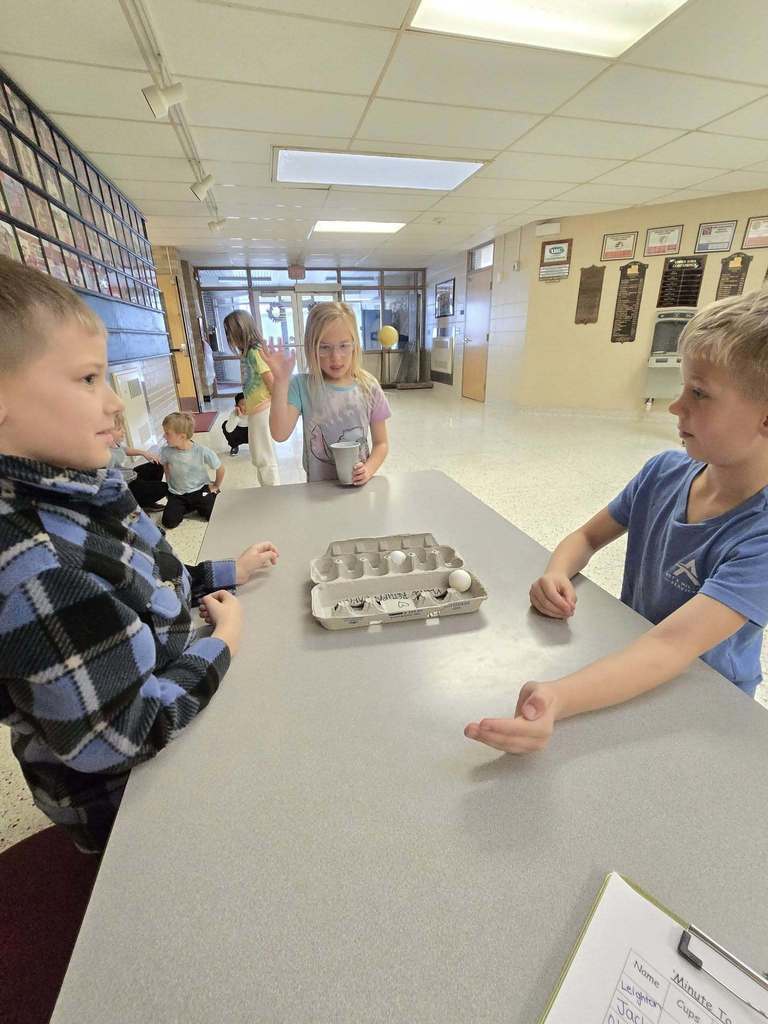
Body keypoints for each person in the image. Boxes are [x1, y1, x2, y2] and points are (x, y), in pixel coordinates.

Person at [0, 255, 279, 852]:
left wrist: (230, 572)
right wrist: (222, 642)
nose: (115, 404)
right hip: (129, 803)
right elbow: (127, 732)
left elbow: (149, 588)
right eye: (87, 380)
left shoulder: (83, 488)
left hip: (169, 690)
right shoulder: (39, 568)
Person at [465, 289, 768, 756]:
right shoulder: (662, 473)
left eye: (700, 393)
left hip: (705, 711)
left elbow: (670, 648)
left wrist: (559, 697)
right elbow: (587, 536)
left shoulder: (761, 537)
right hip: (625, 671)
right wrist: (557, 572)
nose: (675, 405)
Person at [264, 301, 390, 485]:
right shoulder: (302, 385)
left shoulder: (369, 387)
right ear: (311, 347)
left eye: (344, 345)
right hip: (318, 490)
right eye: (324, 347)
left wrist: (368, 469)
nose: (335, 357)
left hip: (358, 488)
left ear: (355, 344)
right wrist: (281, 382)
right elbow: (279, 433)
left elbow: (382, 443)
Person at [223, 311, 279, 485]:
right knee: (258, 455)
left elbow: (271, 382)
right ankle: (266, 491)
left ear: (241, 331)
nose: (228, 337)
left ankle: (273, 495)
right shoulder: (246, 354)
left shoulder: (255, 352)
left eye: (229, 332)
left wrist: (278, 408)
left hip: (264, 410)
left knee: (265, 456)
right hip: (256, 411)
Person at [160, 411, 224, 528]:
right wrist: (169, 485)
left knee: (214, 514)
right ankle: (189, 506)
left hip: (201, 491)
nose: (164, 436)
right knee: (168, 522)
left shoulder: (201, 451)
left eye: (167, 434)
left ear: (182, 436)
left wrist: (215, 485)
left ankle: (211, 495)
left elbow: (220, 468)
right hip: (178, 495)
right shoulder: (166, 451)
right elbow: (165, 466)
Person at [108, 411, 167, 508]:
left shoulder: (115, 443)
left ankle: (147, 501)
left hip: (128, 475)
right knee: (163, 488)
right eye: (119, 429)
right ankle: (137, 505)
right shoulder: (102, 453)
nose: (124, 431)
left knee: (157, 464)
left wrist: (144, 453)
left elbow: (124, 449)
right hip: (123, 486)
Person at [222, 391, 248, 456]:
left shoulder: (254, 411)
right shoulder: (234, 413)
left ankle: (258, 447)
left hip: (251, 435)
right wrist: (238, 417)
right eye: (243, 404)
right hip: (239, 435)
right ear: (237, 406)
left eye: (248, 403)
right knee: (225, 425)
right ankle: (234, 446)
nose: (246, 406)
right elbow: (228, 430)